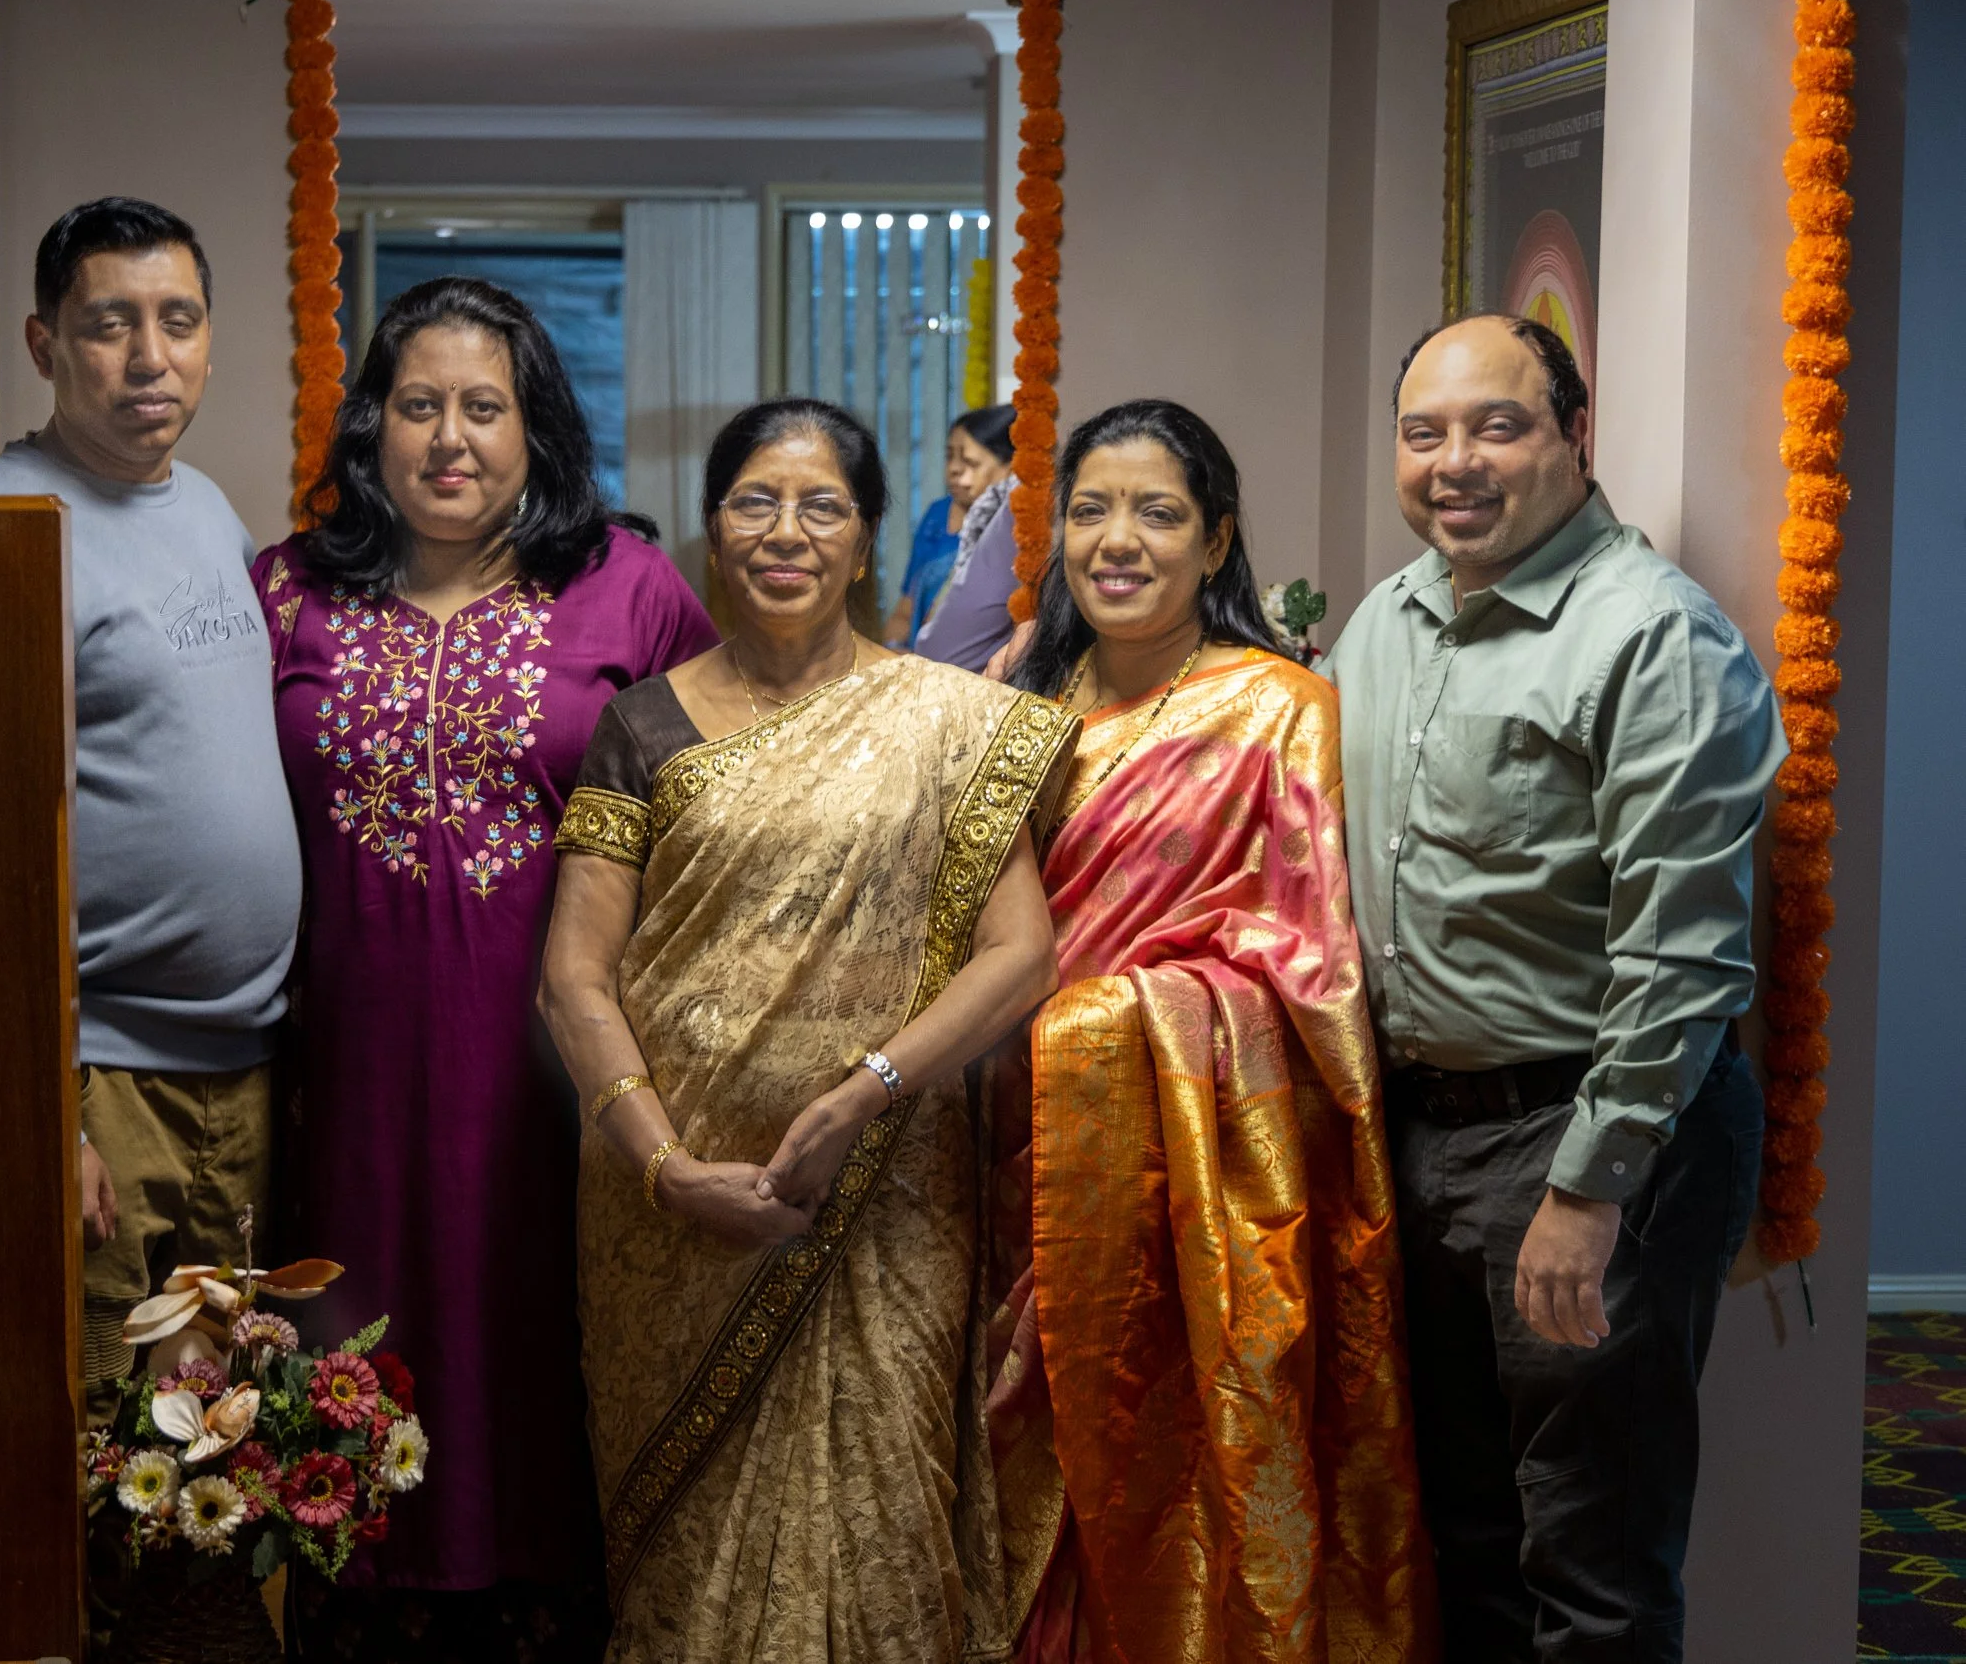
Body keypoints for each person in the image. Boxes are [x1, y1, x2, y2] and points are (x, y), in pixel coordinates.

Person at [539, 398, 1079, 1663]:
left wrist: (866, 1091)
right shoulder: (644, 724)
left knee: (883, 1523)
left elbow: (1022, 954)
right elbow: (576, 977)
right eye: (754, 503)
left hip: (883, 1202)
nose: (787, 531)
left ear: (868, 534)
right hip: (663, 1221)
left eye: (822, 504)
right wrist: (667, 1169)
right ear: (712, 532)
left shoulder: (948, 720)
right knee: (686, 1552)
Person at [250, 276, 717, 1656]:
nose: (450, 439)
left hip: (561, 1085)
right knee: (353, 1344)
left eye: (483, 407)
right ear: (369, 430)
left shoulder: (626, 583)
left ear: (535, 429)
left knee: (543, 1353)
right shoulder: (283, 594)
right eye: (417, 406)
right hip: (346, 1076)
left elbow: (739, 800)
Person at [1322, 314, 1784, 1662]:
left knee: (1589, 1557)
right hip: (1428, 1134)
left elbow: (1683, 948)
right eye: (1425, 432)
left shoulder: (1651, 638)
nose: (1455, 461)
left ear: (1577, 437)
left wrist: (1590, 1191)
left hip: (1591, 1139)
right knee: (1460, 1528)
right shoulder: (1388, 618)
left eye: (1497, 424)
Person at [994, 399, 1433, 1663]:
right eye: (1090, 509)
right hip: (1005, 1162)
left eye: (1158, 511)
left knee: (1175, 1461)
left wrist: (1104, 1028)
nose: (1117, 540)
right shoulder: (1009, 708)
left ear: (1218, 537)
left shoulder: (1277, 708)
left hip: (1188, 1189)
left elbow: (1311, 976)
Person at [0, 196, 301, 1416]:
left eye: (177, 320)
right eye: (109, 325)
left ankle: (183, 1627)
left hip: (236, 1068)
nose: (150, 358)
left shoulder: (198, 504)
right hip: (102, 1076)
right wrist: (43, 1101)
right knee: (96, 1425)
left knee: (223, 1429)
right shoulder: (0, 534)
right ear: (44, 345)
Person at [889, 405, 1017, 646]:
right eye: (950, 456)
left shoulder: (1013, 529)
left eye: (969, 461)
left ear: (1008, 468)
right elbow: (905, 609)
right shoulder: (937, 514)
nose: (954, 469)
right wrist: (891, 652)